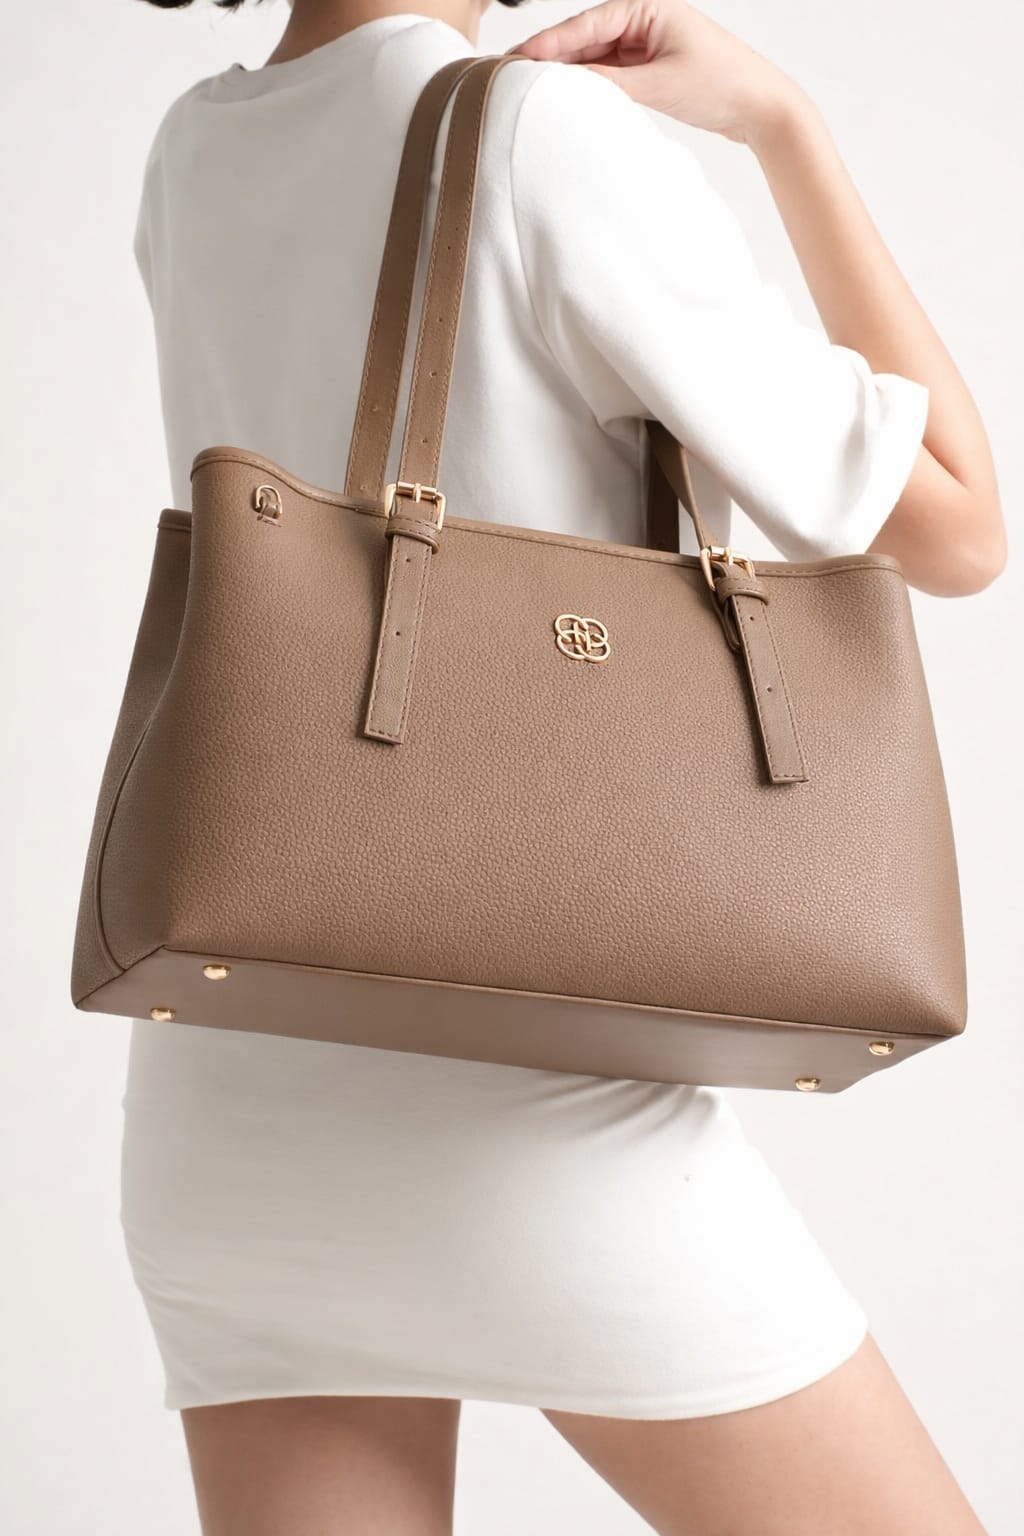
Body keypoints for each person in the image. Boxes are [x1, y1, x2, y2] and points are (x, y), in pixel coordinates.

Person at [123, 0, 1004, 1531]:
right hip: (526, 1131)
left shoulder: (194, 148)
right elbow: (959, 525)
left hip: (227, 1120)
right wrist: (783, 127)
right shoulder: (538, 135)